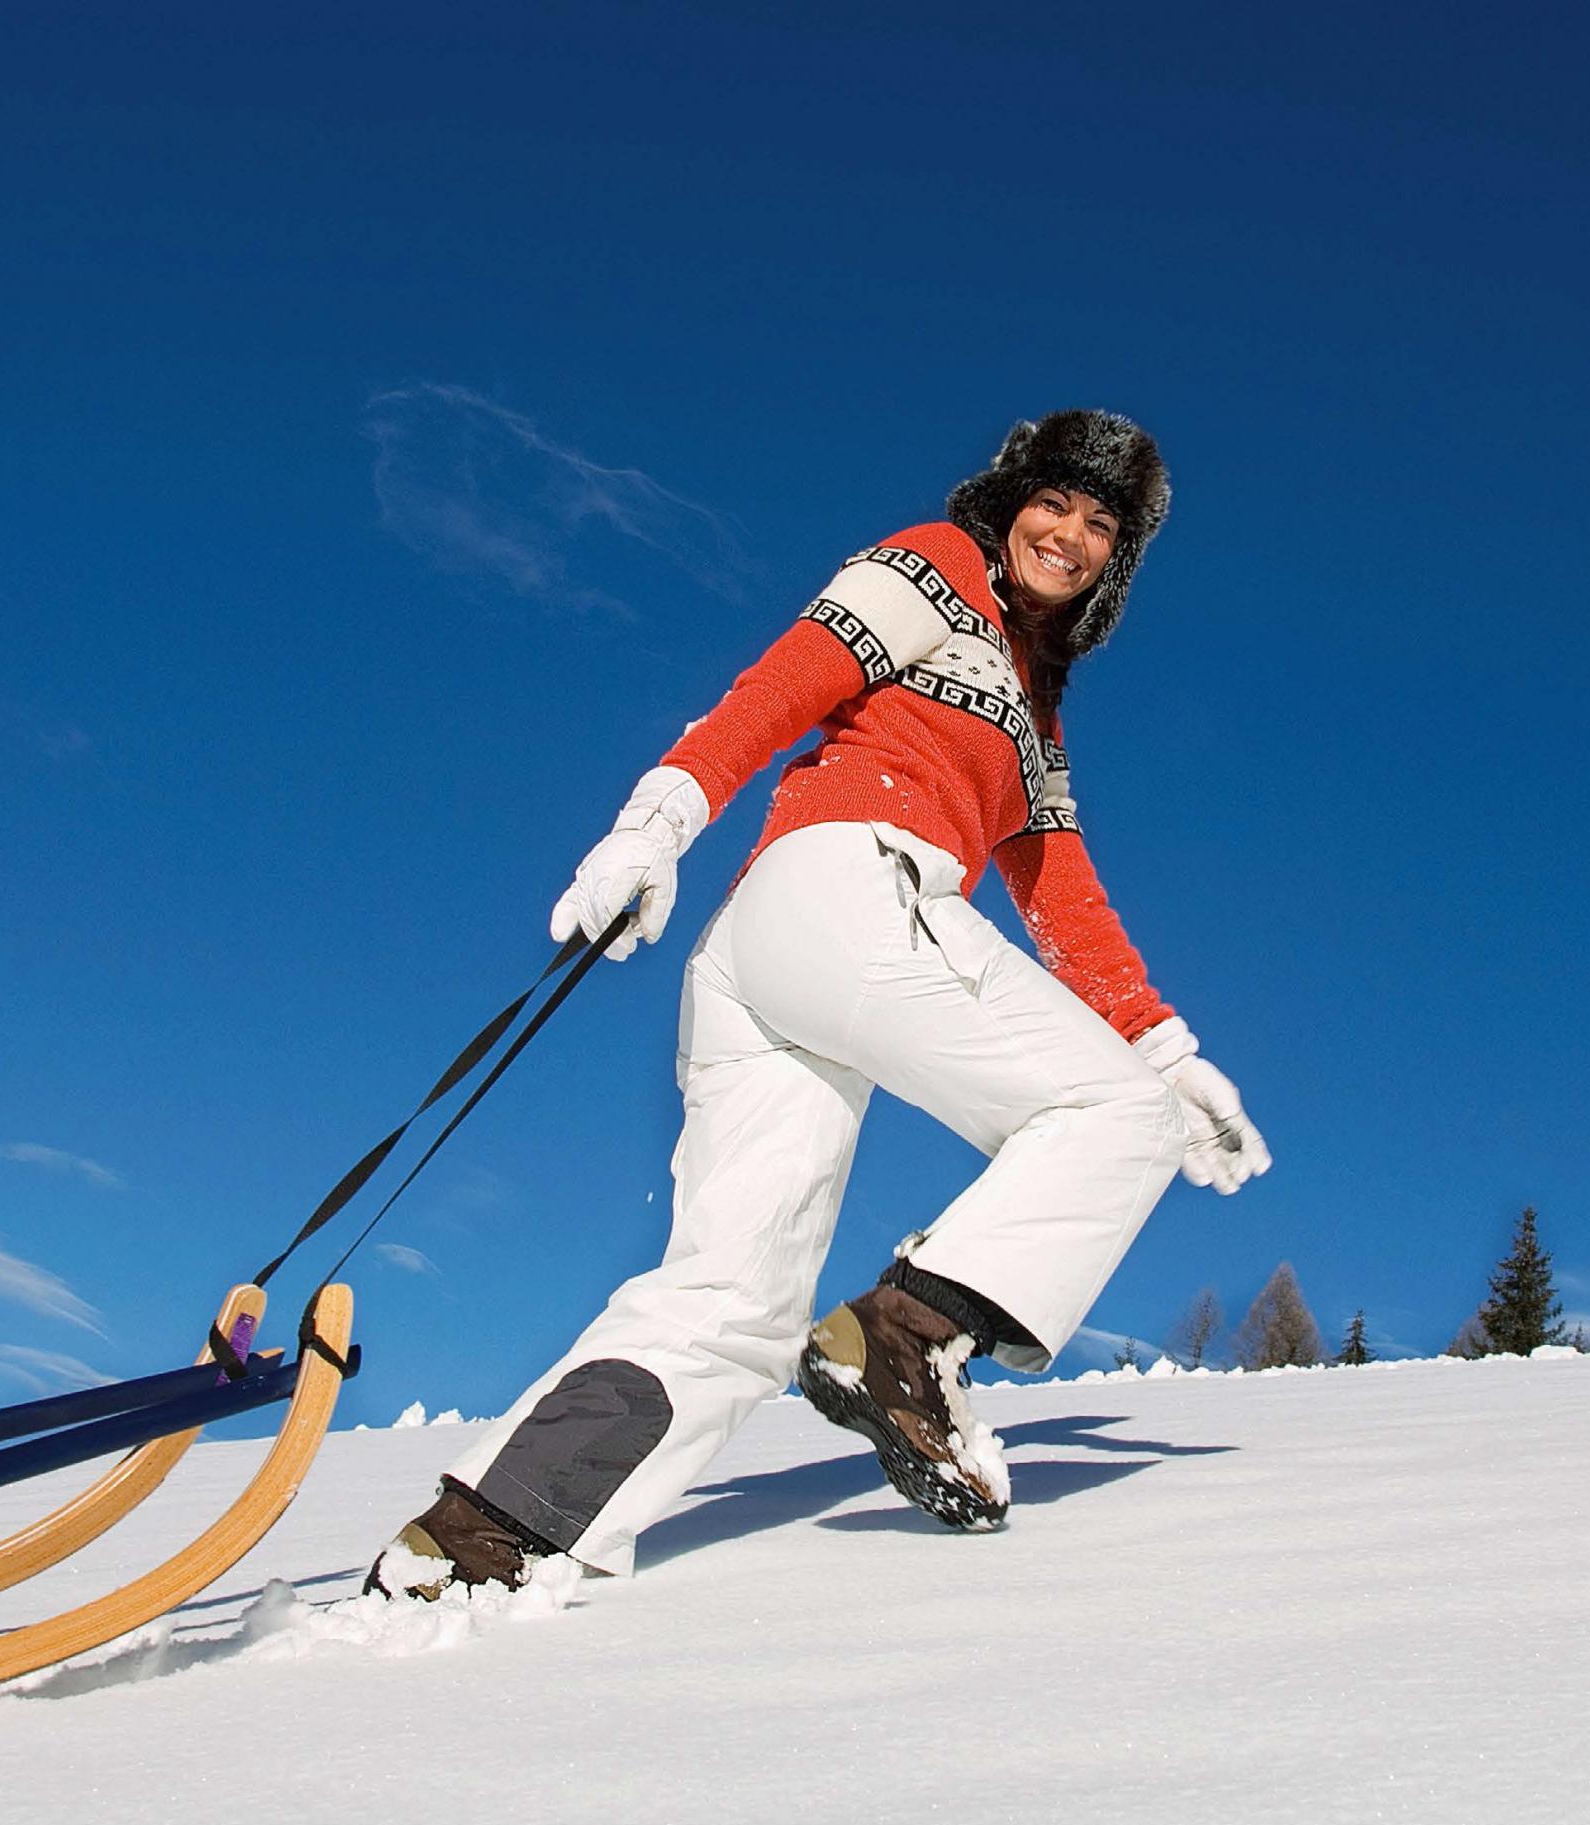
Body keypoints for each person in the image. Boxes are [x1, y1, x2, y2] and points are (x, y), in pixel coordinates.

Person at [369, 409, 1270, 1599]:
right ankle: (905, 1337)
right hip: (848, 884)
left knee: (734, 1298)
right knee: (1112, 1116)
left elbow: (1059, 888)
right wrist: (656, 821)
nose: (1068, 533)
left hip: (774, 961)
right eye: (1053, 500)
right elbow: (784, 685)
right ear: (1009, 500)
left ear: (1117, 559)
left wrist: (1166, 1047)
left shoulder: (1032, 715)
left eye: (1102, 523)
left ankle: (481, 1539)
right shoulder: (936, 567)